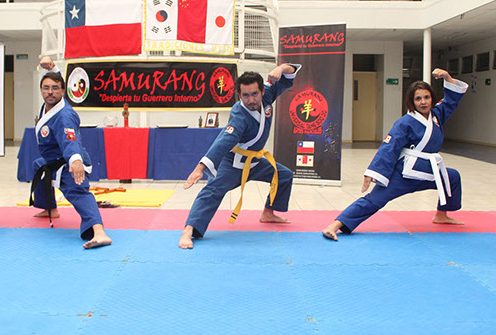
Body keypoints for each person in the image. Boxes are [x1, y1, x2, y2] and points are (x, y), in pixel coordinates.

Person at [322, 68, 469, 241]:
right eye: (418, 98)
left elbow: (451, 100)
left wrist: (447, 77)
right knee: (375, 200)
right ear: (411, 101)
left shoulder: (436, 116)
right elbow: (389, 148)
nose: (423, 102)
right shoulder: (405, 123)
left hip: (427, 170)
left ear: (432, 98)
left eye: (426, 97)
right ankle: (334, 226)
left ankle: (441, 215)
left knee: (452, 177)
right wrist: (373, 172)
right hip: (405, 173)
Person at [179, 63, 300, 249]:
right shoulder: (239, 115)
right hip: (233, 164)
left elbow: (289, 77)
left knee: (284, 175)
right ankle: (189, 230)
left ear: (262, 91)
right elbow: (224, 140)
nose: (251, 100)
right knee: (212, 191)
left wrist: (282, 68)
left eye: (255, 94)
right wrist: (200, 167)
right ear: (239, 95)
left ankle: (268, 213)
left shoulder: (267, 95)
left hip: (256, 161)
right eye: (245, 95)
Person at [32, 68, 112, 249]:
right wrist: (52, 69)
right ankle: (50, 208)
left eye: (55, 88)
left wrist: (75, 161)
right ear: (41, 90)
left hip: (69, 162)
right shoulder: (49, 106)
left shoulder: (64, 115)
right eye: (46, 88)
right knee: (38, 166)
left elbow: (70, 139)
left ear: (62, 91)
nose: (50, 92)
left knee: (78, 193)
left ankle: (99, 232)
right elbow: (55, 79)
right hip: (53, 160)